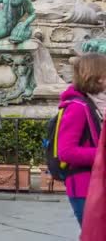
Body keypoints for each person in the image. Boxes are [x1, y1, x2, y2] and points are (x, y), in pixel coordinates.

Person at [57, 53, 106, 225]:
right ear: (97, 76)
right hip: (84, 186)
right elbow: (66, 152)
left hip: (97, 184)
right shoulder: (77, 108)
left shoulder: (95, 104)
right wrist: (101, 154)